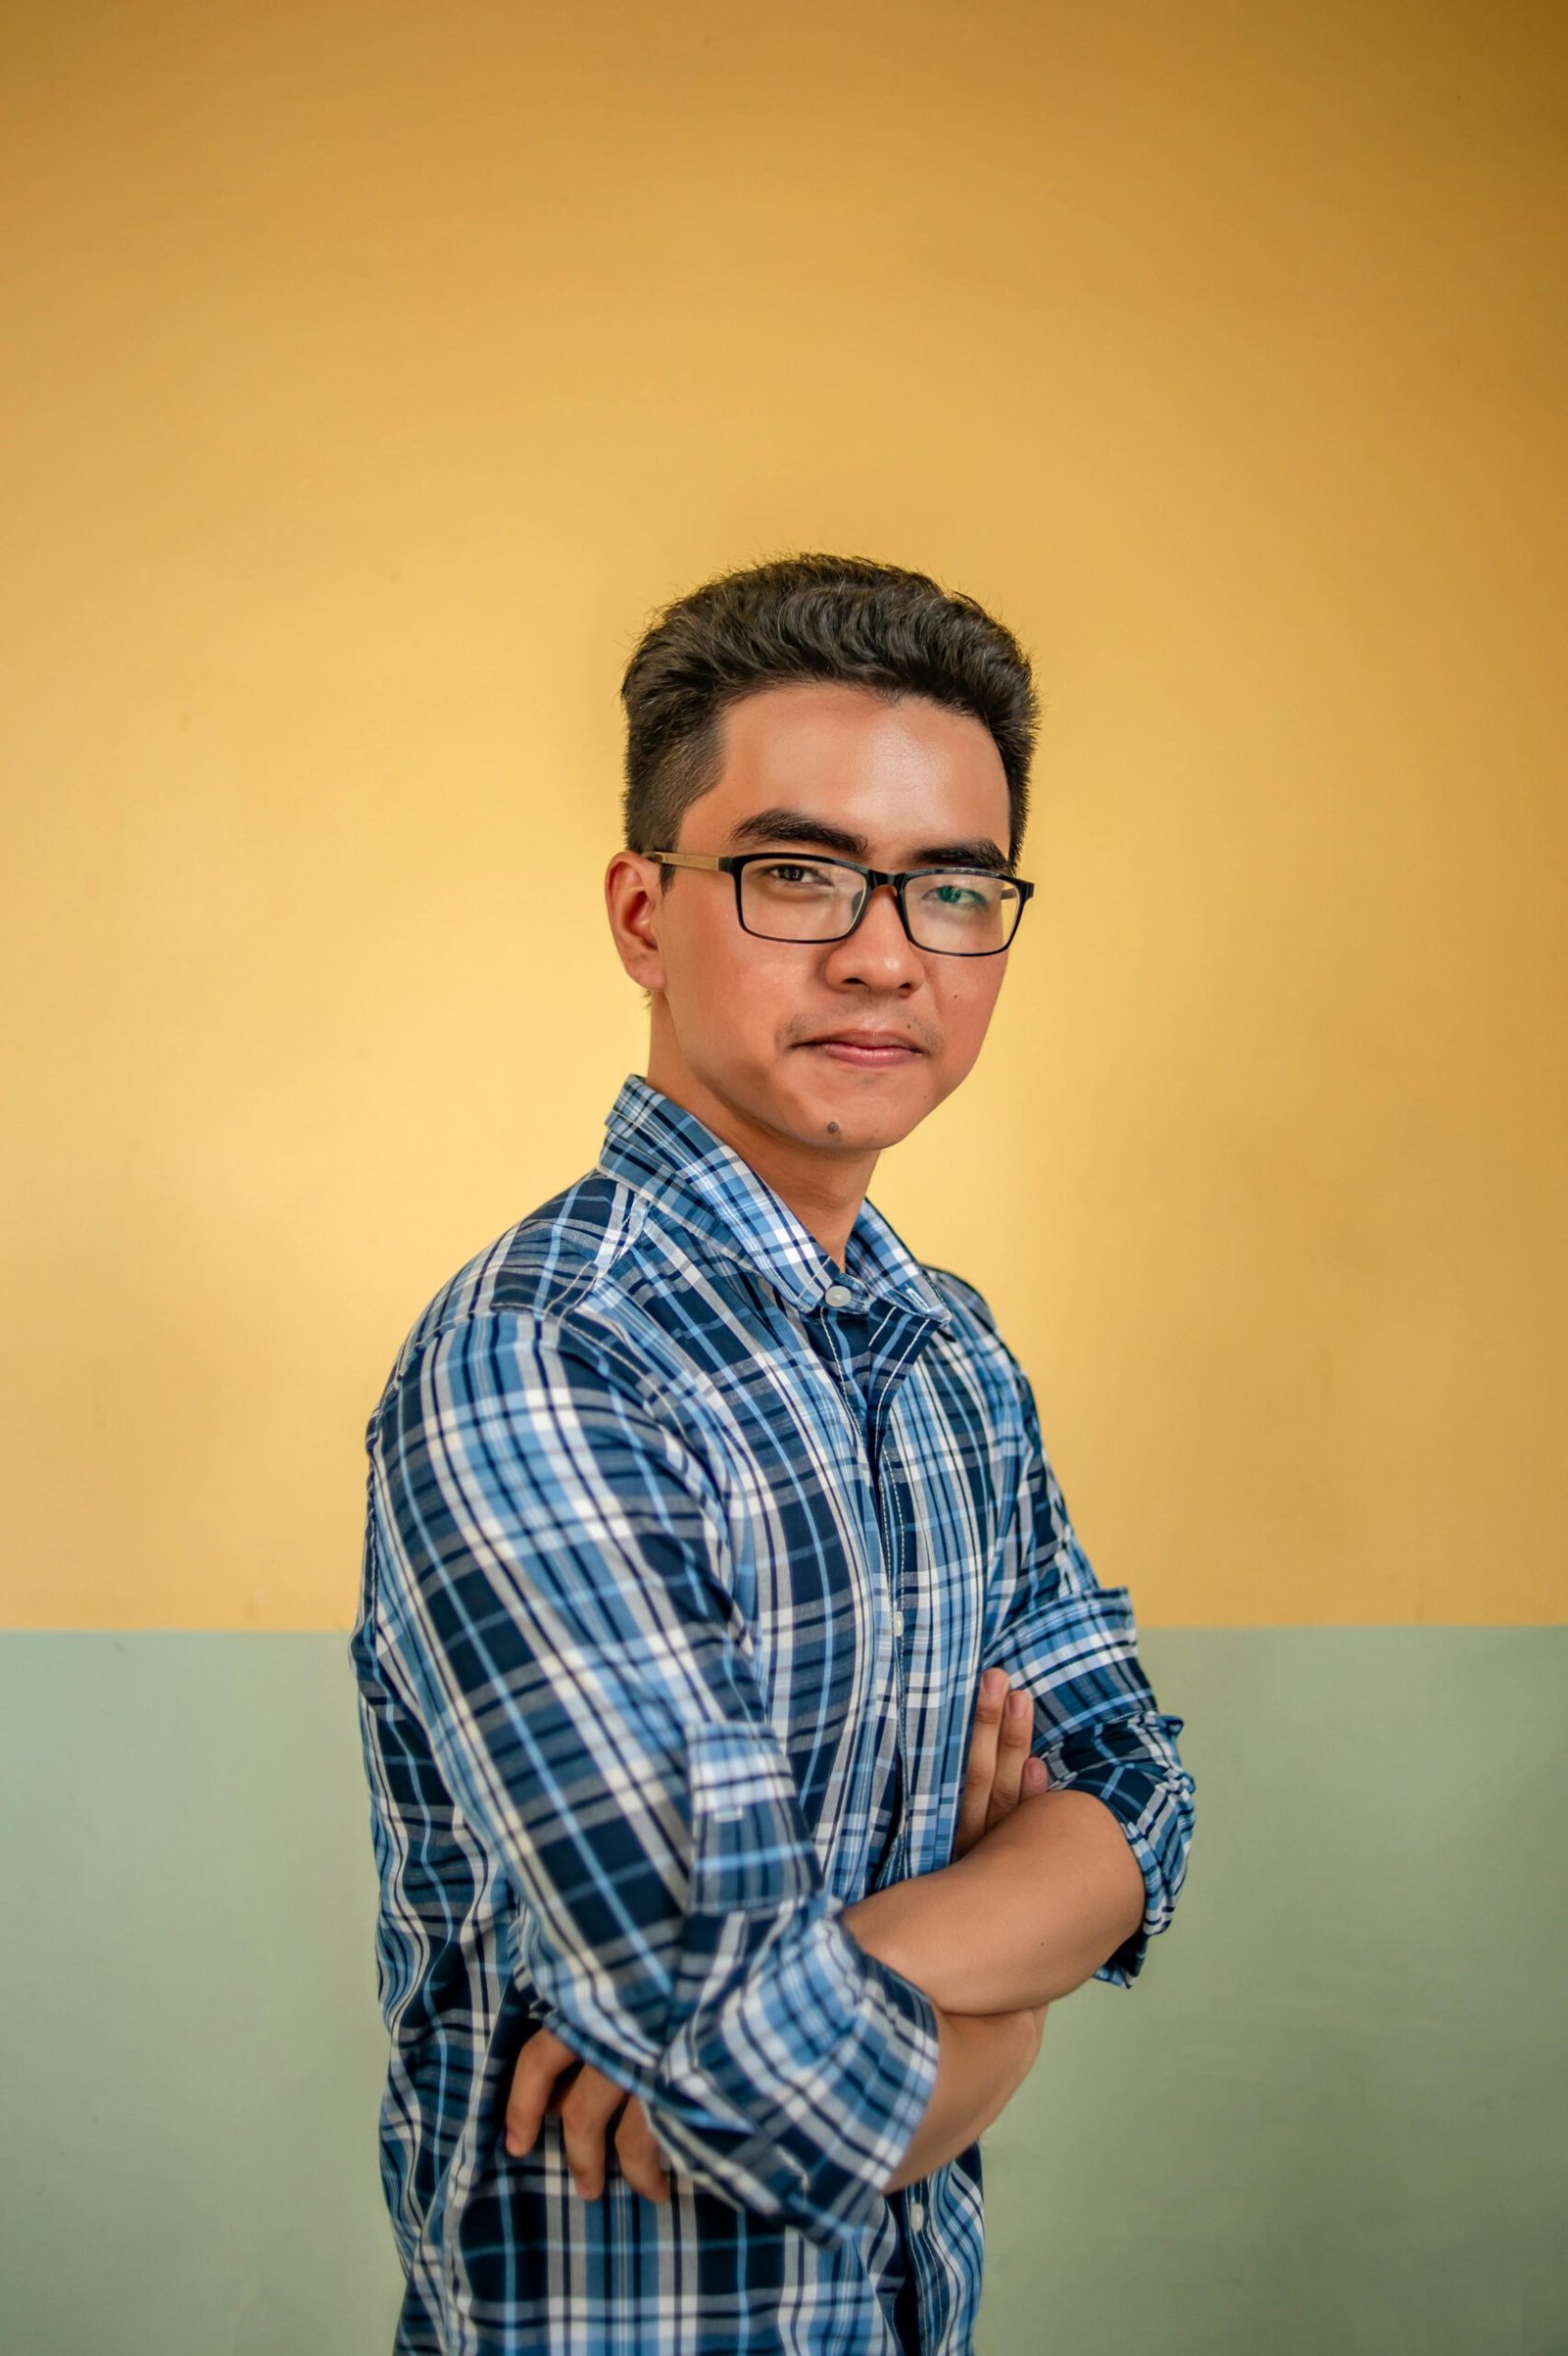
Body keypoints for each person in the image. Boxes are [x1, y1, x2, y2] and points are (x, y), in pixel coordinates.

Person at [350, 552, 1196, 2356]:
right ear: (645, 912)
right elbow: (751, 2073)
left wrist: (906, 1989)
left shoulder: (950, 1350)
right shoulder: (542, 1360)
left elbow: (1143, 1798)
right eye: (798, 872)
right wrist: (1014, 1988)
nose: (887, 953)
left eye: (954, 889)